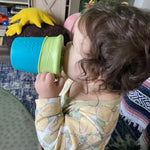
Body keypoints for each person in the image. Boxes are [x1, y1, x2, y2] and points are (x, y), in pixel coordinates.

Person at [34, 1, 150, 149]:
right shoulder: (88, 79)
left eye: (74, 46)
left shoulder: (95, 125)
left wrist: (48, 98)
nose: (67, 46)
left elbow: (54, 142)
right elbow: (74, 72)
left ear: (97, 74)